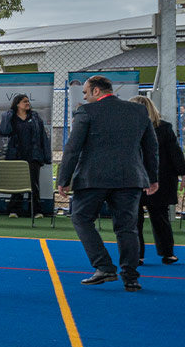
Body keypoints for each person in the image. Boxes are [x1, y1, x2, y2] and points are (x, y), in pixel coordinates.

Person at [56, 76, 157, 291]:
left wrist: (63, 179)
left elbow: (73, 148)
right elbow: (151, 148)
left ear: (96, 91)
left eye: (85, 92)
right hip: (130, 178)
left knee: (81, 218)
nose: (84, 97)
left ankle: (104, 266)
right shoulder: (138, 111)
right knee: (127, 228)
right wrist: (152, 178)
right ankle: (130, 278)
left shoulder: (86, 112)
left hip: (93, 178)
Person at [129, 96, 180, 265]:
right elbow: (175, 154)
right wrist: (182, 172)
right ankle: (168, 253)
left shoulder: (128, 130)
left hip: (136, 178)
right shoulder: (164, 128)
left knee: (135, 219)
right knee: (160, 217)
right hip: (161, 179)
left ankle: (138, 255)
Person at [0, 94, 51, 217]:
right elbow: (3, 131)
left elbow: (42, 136)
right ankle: (14, 210)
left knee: (34, 183)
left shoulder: (35, 116)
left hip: (33, 155)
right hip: (16, 155)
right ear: (17, 104)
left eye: (28, 101)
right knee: (17, 183)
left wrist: (46, 155)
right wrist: (7, 116)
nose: (27, 103)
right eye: (24, 101)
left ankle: (36, 210)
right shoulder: (11, 117)